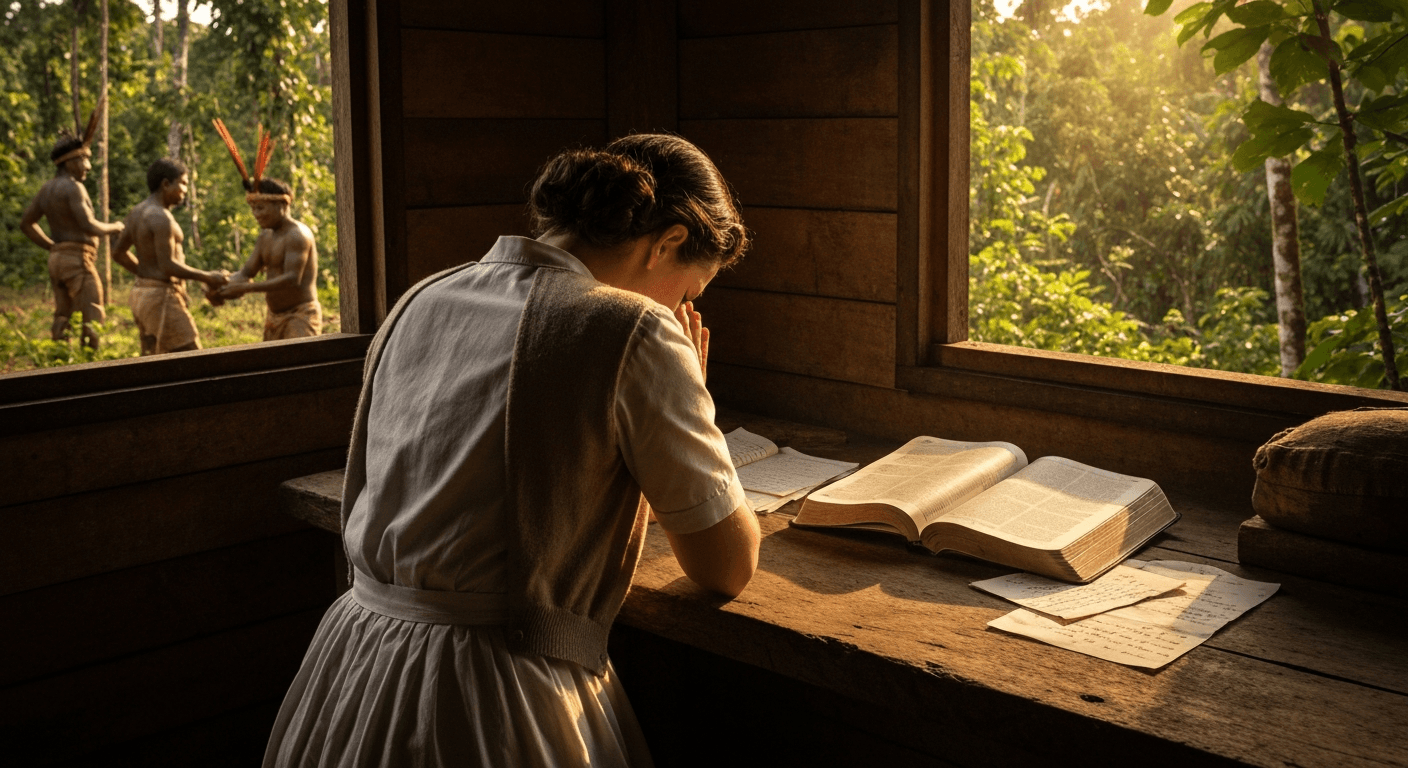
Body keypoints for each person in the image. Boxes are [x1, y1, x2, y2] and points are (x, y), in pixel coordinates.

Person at [263, 133, 760, 767]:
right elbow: (727, 565)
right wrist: (691, 396)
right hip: (496, 689)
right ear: (667, 242)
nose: (682, 310)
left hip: (357, 666)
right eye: (689, 292)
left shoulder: (424, 298)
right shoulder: (634, 328)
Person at [19, 106, 125, 350]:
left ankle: (59, 361)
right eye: (85, 159)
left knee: (63, 314)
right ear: (70, 161)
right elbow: (89, 224)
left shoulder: (46, 189)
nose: (88, 166)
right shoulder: (74, 187)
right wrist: (115, 226)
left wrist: (53, 247)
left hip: (57, 261)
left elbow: (26, 224)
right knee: (93, 312)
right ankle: (90, 365)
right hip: (77, 260)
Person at [208, 118, 321, 340]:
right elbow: (246, 273)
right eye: (253, 209)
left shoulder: (298, 235)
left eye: (261, 208)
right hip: (274, 316)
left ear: (281, 205)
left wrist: (246, 289)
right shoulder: (265, 237)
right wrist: (221, 286)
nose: (256, 214)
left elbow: (291, 279)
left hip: (300, 316)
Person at [110, 158, 229, 355]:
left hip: (142, 293)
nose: (185, 190)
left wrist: (146, 274)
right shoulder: (161, 217)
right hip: (160, 298)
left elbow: (118, 253)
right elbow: (167, 265)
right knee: (191, 356)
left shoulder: (136, 212)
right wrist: (207, 276)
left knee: (155, 358)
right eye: (182, 183)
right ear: (165, 184)